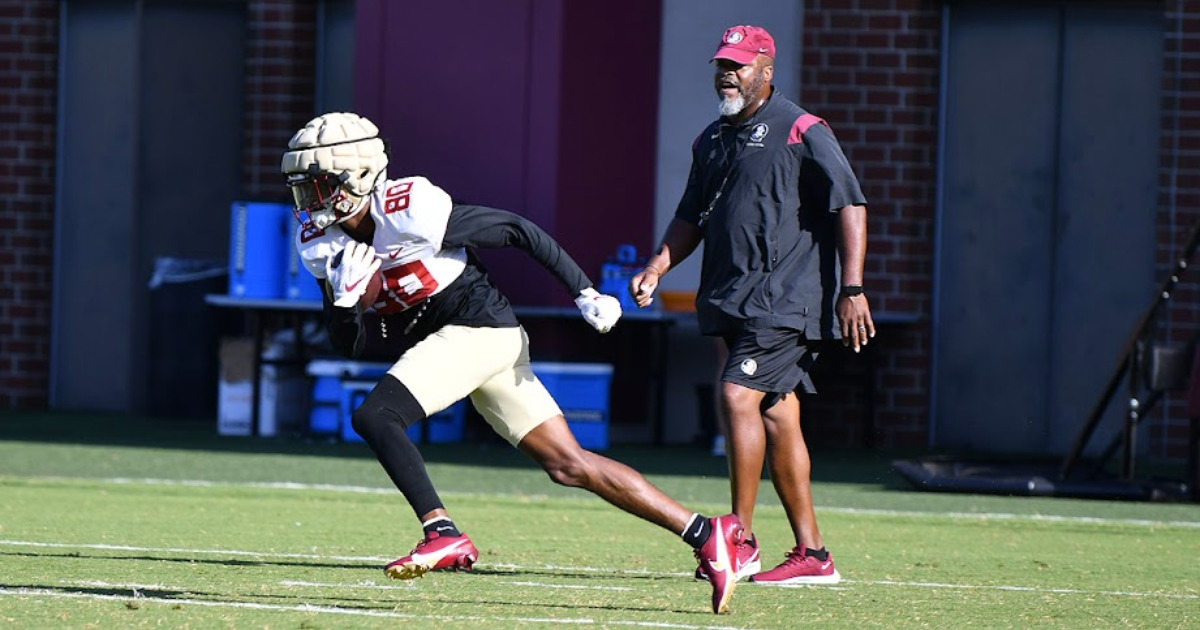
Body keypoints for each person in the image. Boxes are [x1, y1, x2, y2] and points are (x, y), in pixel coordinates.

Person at [281, 112, 744, 614]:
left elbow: (516, 229)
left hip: (482, 331)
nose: (310, 202)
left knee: (375, 415)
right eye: (303, 189)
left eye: (319, 187)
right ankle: (706, 533)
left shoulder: (409, 209)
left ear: (358, 178)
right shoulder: (323, 244)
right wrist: (346, 307)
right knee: (570, 465)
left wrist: (583, 290)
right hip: (466, 344)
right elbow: (346, 345)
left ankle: (442, 532)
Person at [630, 25, 873, 586]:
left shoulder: (802, 128)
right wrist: (658, 265)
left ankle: (735, 540)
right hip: (733, 297)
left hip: (785, 298)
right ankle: (812, 554)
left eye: (738, 64)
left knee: (738, 396)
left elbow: (850, 204)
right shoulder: (710, 139)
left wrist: (852, 288)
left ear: (766, 69)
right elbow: (691, 216)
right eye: (722, 63)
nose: (727, 73)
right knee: (777, 415)